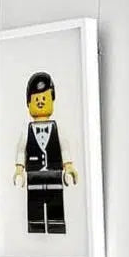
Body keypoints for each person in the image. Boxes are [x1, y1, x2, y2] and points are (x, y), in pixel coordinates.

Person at [14, 71, 77, 234]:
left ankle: (56, 224)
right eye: (36, 99)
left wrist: (68, 166)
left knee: (55, 201)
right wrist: (19, 170)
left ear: (52, 100)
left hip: (54, 173)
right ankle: (36, 225)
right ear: (28, 104)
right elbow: (21, 150)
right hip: (34, 174)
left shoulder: (58, 129)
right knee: (34, 203)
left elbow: (64, 148)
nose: (40, 102)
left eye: (44, 98)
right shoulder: (26, 131)